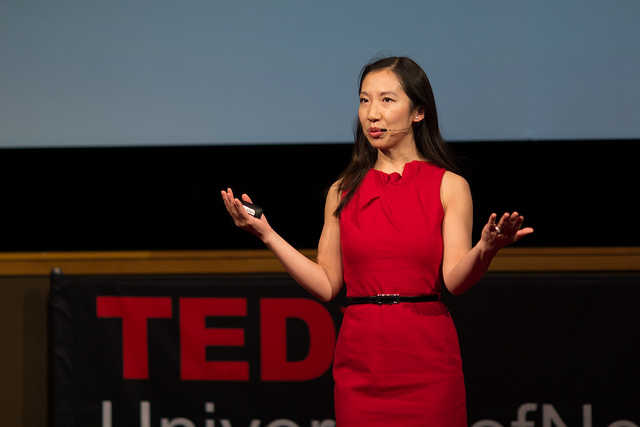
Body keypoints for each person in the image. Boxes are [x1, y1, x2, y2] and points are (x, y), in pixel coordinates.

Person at [221, 56, 533, 427]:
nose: (371, 113)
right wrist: (267, 235)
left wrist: (485, 250)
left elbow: (454, 280)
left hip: (428, 365)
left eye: (387, 100)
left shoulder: (449, 186)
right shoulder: (343, 191)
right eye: (364, 100)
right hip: (361, 367)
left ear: (418, 111)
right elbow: (326, 284)